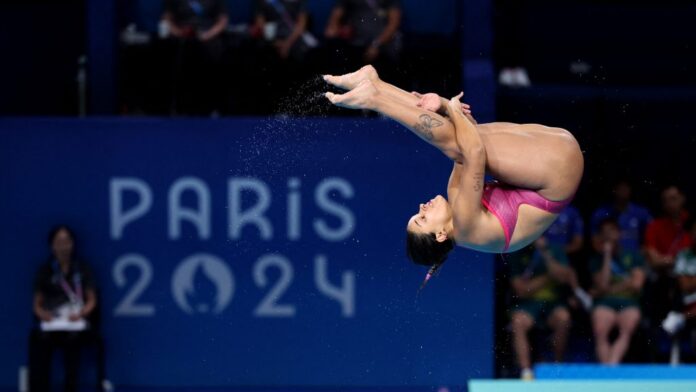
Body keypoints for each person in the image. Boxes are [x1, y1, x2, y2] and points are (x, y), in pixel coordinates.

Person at [323, 66, 584, 279]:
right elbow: (474, 153)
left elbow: (466, 136)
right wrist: (449, 107)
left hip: (556, 155)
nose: (421, 207)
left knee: (454, 138)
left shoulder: (455, 197)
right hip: (559, 169)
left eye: (418, 214)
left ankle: (377, 85)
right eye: (422, 219)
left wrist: (448, 110)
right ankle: (375, 97)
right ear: (440, 235)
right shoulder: (467, 227)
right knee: (456, 143)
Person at [29, 226, 98, 392]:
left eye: (66, 241)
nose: (63, 245)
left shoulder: (81, 268)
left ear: (73, 244)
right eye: (59, 241)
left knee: (73, 340)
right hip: (52, 322)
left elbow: (92, 300)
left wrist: (81, 314)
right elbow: (36, 303)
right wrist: (42, 314)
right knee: (39, 339)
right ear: (52, 245)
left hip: (75, 321)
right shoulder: (45, 270)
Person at [509, 238, 576, 380]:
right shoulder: (516, 250)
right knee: (517, 322)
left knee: (563, 318)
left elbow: (564, 277)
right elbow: (521, 290)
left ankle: (557, 367)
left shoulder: (555, 250)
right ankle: (526, 372)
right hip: (528, 304)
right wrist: (548, 277)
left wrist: (545, 253)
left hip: (553, 303)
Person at [590, 218, 646, 364]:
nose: (609, 236)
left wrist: (610, 289)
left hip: (629, 302)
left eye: (612, 231)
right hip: (605, 303)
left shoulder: (633, 255)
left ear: (619, 234)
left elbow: (637, 285)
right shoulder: (596, 260)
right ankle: (609, 372)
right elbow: (603, 286)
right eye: (605, 233)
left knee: (626, 330)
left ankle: (611, 368)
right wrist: (607, 255)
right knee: (600, 332)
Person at [161, 0, 229, 114]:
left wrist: (207, 35)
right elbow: (167, 18)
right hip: (182, 36)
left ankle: (213, 106)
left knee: (215, 50)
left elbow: (222, 21)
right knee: (173, 51)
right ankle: (176, 106)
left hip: (208, 35)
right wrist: (178, 32)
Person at [323, 0, 402, 79]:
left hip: (381, 44)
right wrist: (334, 28)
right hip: (354, 43)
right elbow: (336, 16)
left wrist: (376, 44)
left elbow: (393, 23)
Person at [590, 179, 652, 253]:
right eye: (620, 189)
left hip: (635, 258)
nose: (623, 192)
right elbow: (595, 239)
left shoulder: (641, 212)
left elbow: (651, 236)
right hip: (610, 257)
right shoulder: (601, 213)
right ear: (614, 190)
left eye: (625, 188)